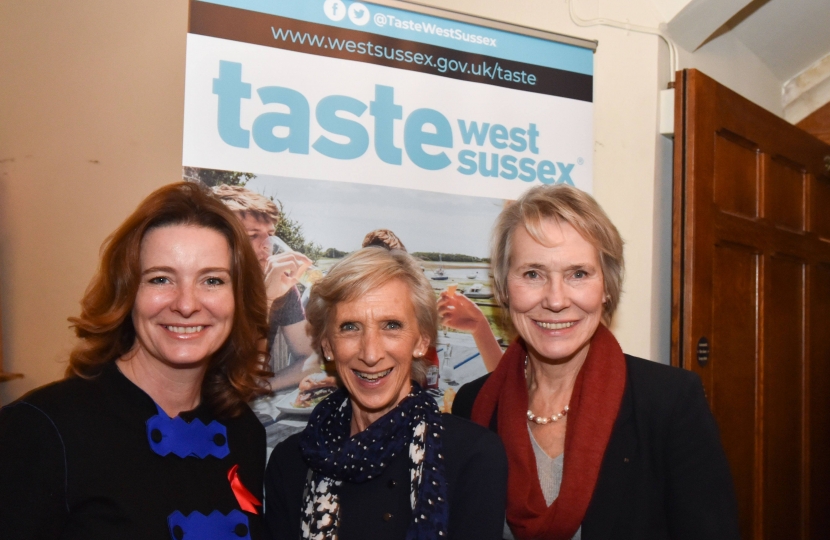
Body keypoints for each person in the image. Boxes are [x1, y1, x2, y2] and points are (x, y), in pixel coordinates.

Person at [452, 185, 740, 540]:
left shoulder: (669, 402)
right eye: (532, 274)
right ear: (503, 288)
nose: (556, 300)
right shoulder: (473, 405)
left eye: (578, 274)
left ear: (606, 286)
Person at [0, 182, 271, 540]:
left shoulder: (244, 432)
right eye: (160, 279)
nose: (186, 304)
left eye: (212, 280)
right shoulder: (41, 430)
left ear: (237, 297)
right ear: (127, 292)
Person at [263, 247, 508, 540]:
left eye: (391, 326)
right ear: (327, 346)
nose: (370, 353)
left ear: (420, 341)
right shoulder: (290, 462)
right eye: (350, 327)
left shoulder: (473, 457)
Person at [212, 184, 317, 389]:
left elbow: (310, 359)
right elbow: (229, 375)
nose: (267, 245)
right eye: (253, 235)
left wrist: (263, 388)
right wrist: (266, 300)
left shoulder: (282, 288)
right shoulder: (209, 287)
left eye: (271, 234)